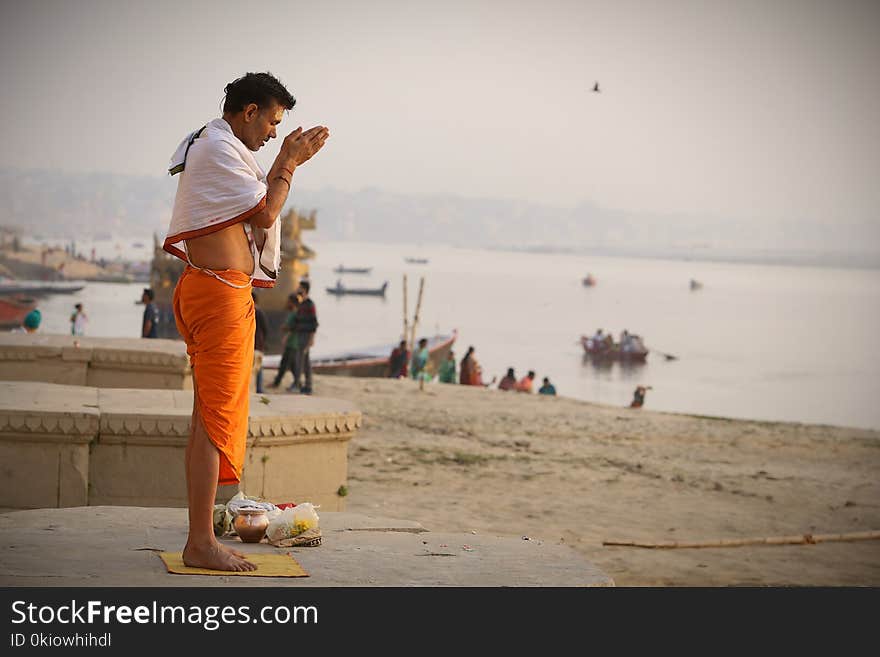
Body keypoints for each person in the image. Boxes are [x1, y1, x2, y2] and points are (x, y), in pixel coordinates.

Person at [162, 71, 329, 571]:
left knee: (205, 419)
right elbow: (264, 212)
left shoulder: (216, 146)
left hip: (212, 290)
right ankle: (200, 544)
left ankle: (200, 536)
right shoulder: (216, 148)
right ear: (249, 111)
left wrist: (280, 160)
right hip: (217, 294)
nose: (275, 134)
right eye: (273, 121)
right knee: (214, 424)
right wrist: (289, 164)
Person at [290, 279, 318, 394]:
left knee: (302, 360)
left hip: (306, 336)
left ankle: (304, 385)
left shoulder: (310, 305)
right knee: (302, 360)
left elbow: (314, 323)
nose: (297, 289)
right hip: (300, 334)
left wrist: (311, 339)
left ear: (304, 289)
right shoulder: (301, 304)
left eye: (299, 287)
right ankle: (304, 385)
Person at [270, 293, 300, 389]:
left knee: (285, 363)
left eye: (289, 301)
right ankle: (297, 383)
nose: (287, 303)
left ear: (292, 302)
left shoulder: (296, 314)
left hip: (293, 342)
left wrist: (285, 331)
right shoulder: (293, 313)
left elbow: (294, 327)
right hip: (291, 342)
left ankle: (277, 383)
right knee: (291, 364)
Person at [252, 291, 268, 394]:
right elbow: (265, 329)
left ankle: (258, 388)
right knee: (258, 367)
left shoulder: (255, 312)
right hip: (257, 344)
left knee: (255, 366)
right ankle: (259, 388)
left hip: (254, 344)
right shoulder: (259, 312)